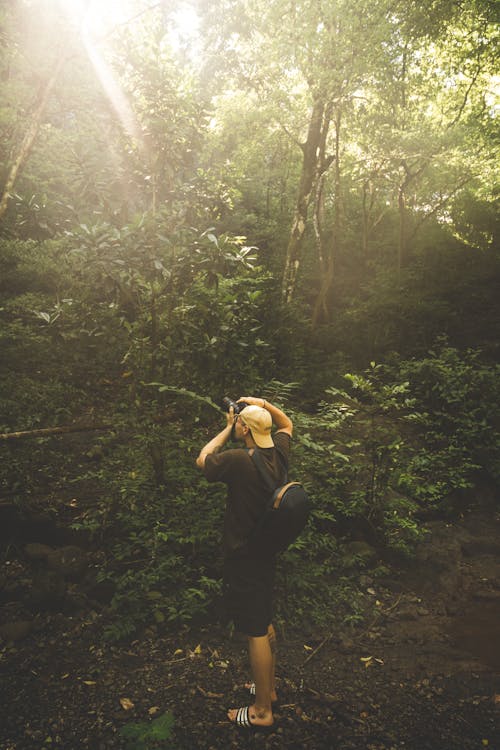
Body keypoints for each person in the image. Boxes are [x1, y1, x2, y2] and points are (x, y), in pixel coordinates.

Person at [196, 395, 293, 731]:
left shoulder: (238, 459)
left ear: (245, 428)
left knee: (254, 630)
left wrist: (226, 429)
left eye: (240, 422)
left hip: (245, 556)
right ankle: (270, 688)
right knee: (264, 621)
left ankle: (262, 711)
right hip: (266, 552)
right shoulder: (278, 453)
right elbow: (288, 424)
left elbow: (203, 459)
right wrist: (261, 403)